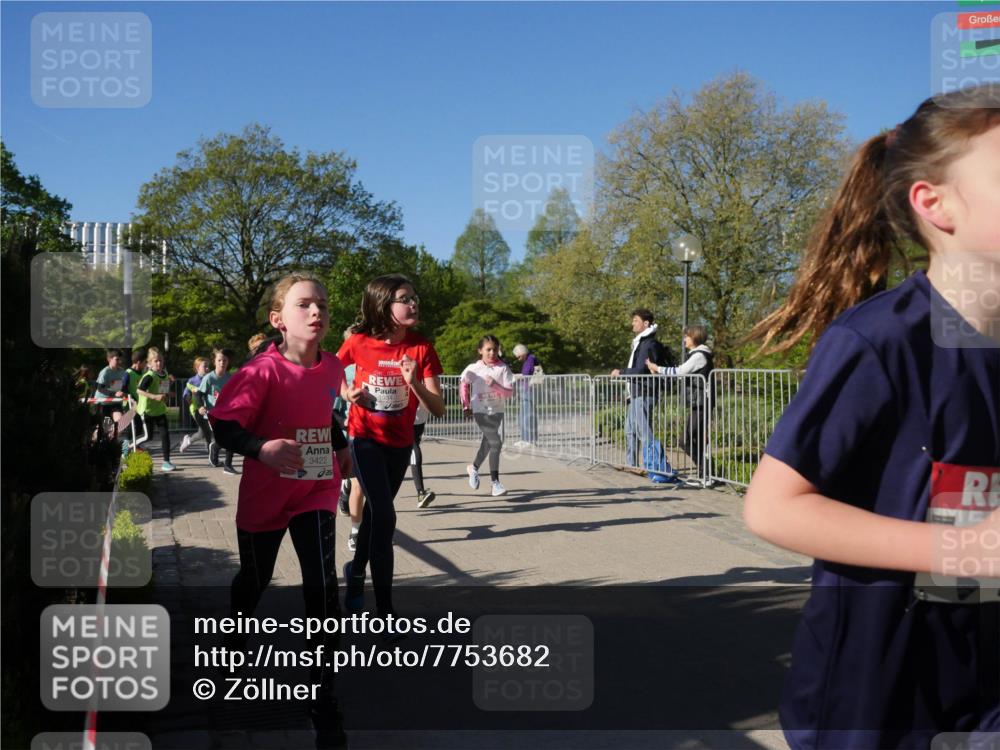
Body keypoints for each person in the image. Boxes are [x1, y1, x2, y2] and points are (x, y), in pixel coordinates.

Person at [743, 86, 1000, 750]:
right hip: (879, 700)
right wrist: (966, 550)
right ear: (934, 203)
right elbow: (773, 507)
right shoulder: (880, 341)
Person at [208, 274, 350, 750]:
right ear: (278, 320)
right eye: (304, 304)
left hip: (316, 486)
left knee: (322, 585)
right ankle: (234, 638)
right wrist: (261, 448)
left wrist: (340, 445)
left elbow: (323, 412)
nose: (317, 312)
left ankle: (321, 691)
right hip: (267, 492)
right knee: (255, 578)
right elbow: (223, 425)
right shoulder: (260, 371)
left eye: (322, 304)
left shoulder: (332, 365)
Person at [337, 274, 444, 617]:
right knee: (385, 515)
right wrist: (347, 393)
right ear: (384, 306)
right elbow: (330, 371)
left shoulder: (421, 348)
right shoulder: (359, 342)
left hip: (399, 444)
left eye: (415, 298)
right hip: (364, 438)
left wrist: (414, 383)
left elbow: (438, 408)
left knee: (375, 517)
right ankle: (385, 613)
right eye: (405, 299)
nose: (413, 304)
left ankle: (356, 571)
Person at [610, 308, 676, 475]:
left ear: (646, 323)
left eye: (635, 321)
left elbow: (641, 370)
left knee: (643, 431)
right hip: (636, 392)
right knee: (630, 429)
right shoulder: (640, 343)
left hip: (645, 392)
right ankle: (632, 464)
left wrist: (621, 372)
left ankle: (655, 466)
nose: (632, 324)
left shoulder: (648, 344)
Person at [646, 325, 714, 486]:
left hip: (702, 402)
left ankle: (708, 474)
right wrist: (659, 371)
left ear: (695, 337)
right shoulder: (697, 355)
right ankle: (706, 474)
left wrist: (657, 368)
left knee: (686, 440)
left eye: (687, 336)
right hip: (699, 403)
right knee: (693, 439)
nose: (684, 339)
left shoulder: (699, 355)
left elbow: (681, 371)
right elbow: (681, 373)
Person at [461, 335, 515, 497]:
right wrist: (466, 405)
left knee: (488, 443)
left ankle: (473, 468)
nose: (492, 353)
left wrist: (495, 385)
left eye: (495, 349)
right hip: (480, 411)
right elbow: (463, 384)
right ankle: (495, 483)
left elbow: (509, 393)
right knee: (496, 442)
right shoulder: (473, 368)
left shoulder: (503, 368)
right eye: (488, 349)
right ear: (480, 351)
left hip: (497, 411)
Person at [197, 349, 237, 474]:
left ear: (228, 362)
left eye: (224, 360)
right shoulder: (209, 378)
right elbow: (198, 394)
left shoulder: (230, 377)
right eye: (219, 360)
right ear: (214, 362)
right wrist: (200, 406)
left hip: (227, 412)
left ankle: (228, 465)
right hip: (213, 413)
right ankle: (215, 447)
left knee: (232, 436)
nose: (222, 363)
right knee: (225, 438)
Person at [136, 347, 175, 472]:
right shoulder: (149, 376)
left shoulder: (165, 375)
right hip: (147, 410)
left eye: (160, 361)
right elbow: (139, 390)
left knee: (165, 435)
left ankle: (166, 462)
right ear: (149, 364)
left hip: (159, 410)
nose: (159, 363)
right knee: (148, 436)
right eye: (156, 361)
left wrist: (168, 394)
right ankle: (131, 444)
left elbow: (162, 393)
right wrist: (154, 396)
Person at [179, 357, 211, 454]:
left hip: (208, 408)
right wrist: (189, 398)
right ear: (197, 368)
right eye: (205, 366)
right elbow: (185, 394)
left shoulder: (210, 378)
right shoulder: (192, 380)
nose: (207, 368)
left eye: (208, 366)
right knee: (205, 430)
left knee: (204, 431)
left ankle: (190, 441)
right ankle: (208, 447)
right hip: (196, 409)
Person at [512, 343, 541, 446]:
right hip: (528, 389)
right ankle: (526, 439)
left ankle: (528, 440)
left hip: (529, 390)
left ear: (523, 353)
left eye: (518, 356)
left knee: (527, 415)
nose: (518, 359)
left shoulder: (530, 359)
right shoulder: (530, 359)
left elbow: (526, 374)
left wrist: (516, 376)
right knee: (525, 415)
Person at [94, 348, 126, 429]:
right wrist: (114, 393)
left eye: (120, 360)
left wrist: (123, 392)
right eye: (117, 359)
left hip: (115, 403)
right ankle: (97, 434)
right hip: (103, 403)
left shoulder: (122, 371)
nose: (119, 362)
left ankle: (113, 435)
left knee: (120, 423)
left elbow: (123, 386)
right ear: (109, 359)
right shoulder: (105, 372)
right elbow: (99, 388)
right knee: (105, 428)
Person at [412, 405, 436, 508]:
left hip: (418, 418)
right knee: (414, 451)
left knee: (412, 451)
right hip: (409, 418)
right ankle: (421, 493)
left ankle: (421, 493)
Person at [121, 349, 146, 444]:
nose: (145, 365)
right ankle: (125, 448)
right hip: (129, 404)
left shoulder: (143, 373)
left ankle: (136, 446)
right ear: (139, 362)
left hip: (139, 404)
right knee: (131, 427)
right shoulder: (128, 373)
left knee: (139, 427)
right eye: (144, 362)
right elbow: (123, 389)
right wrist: (131, 398)